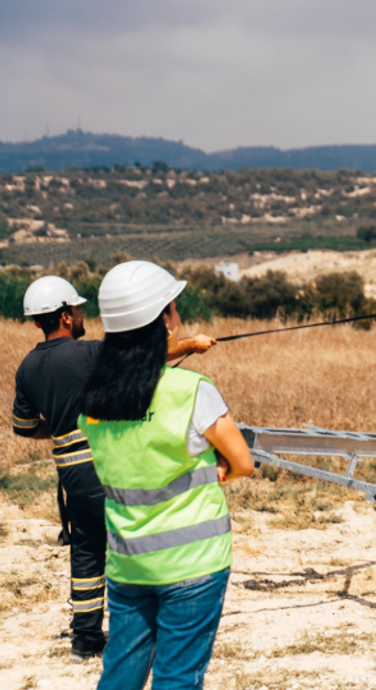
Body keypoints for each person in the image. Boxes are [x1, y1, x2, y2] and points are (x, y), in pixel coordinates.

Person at [11, 275, 217, 661]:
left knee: (87, 552)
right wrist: (190, 345)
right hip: (105, 466)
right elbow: (139, 357)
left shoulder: (27, 368)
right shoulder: (87, 353)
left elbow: (23, 427)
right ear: (66, 317)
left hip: (70, 473)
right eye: (78, 308)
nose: (83, 312)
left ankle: (85, 640)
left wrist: (59, 428)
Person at [77, 261, 254, 690]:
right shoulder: (191, 391)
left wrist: (187, 344)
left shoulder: (94, 400)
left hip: (128, 563)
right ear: (165, 321)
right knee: (176, 679)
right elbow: (243, 462)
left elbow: (131, 366)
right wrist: (216, 469)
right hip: (193, 564)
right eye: (173, 308)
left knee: (119, 673)